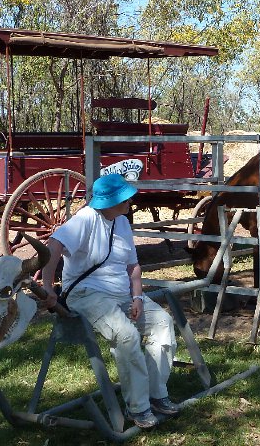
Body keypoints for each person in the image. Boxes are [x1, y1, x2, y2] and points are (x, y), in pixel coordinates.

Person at [41, 173, 178, 429]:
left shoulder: (123, 223)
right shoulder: (85, 219)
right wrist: (48, 286)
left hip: (123, 293)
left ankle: (155, 392)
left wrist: (137, 296)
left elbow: (133, 265)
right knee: (126, 336)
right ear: (109, 202)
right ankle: (138, 408)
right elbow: (54, 245)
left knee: (163, 324)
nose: (130, 202)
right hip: (86, 293)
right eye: (124, 198)